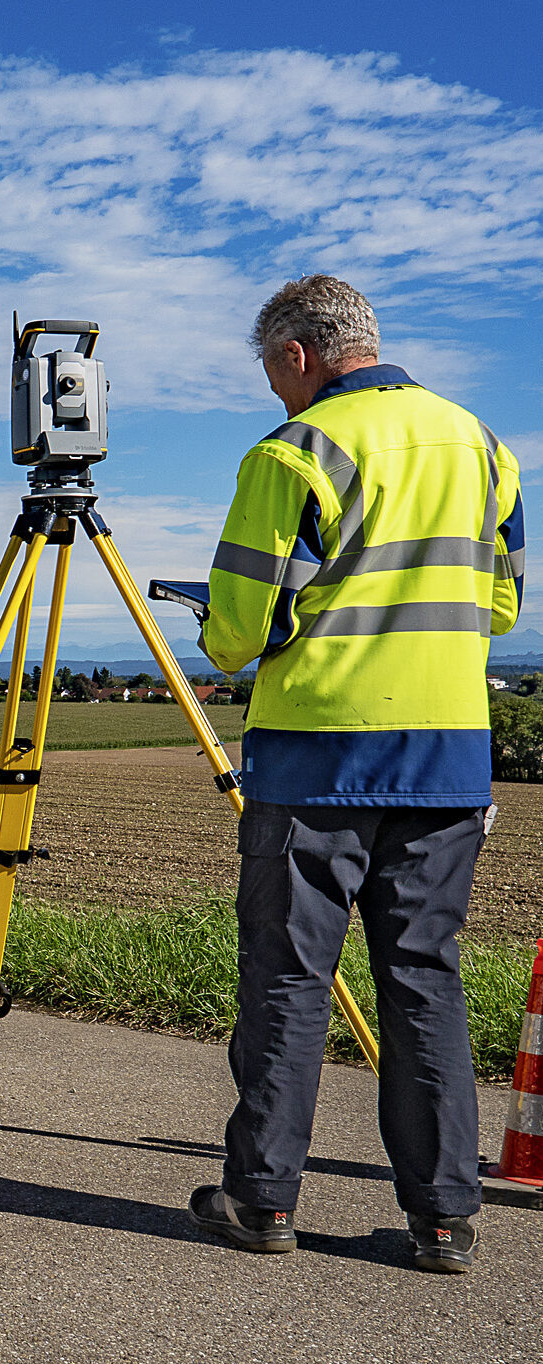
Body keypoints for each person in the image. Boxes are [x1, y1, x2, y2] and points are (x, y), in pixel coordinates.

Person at [190, 274, 524, 1273]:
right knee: (425, 982)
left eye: (273, 376)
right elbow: (498, 609)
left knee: (289, 979)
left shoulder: (294, 452)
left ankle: (261, 1203)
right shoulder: (484, 446)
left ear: (298, 354)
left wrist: (224, 627)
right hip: (448, 756)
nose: (276, 395)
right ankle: (442, 1219)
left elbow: (239, 629)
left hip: (318, 759)